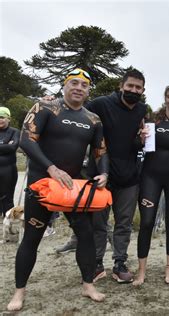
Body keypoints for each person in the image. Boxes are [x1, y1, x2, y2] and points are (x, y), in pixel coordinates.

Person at [7, 69, 109, 311]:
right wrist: (51, 168)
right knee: (32, 239)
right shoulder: (45, 108)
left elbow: (101, 151)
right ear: (64, 86)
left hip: (72, 189)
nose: (79, 88)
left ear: (88, 91)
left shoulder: (93, 119)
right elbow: (26, 140)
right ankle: (19, 292)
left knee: (85, 236)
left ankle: (88, 285)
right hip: (42, 184)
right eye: (74, 83)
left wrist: (104, 173)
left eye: (84, 85)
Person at [87, 69, 148, 283]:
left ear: (142, 90)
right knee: (98, 224)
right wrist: (52, 102)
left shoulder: (142, 109)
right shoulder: (101, 104)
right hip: (101, 175)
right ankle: (95, 264)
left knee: (124, 223)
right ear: (121, 86)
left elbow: (135, 141)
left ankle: (120, 263)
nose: (133, 90)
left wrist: (141, 140)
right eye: (129, 86)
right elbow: (74, 110)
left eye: (138, 87)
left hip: (130, 177)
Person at [134, 83, 169, 285]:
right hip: (150, 175)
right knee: (147, 222)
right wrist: (140, 139)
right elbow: (139, 143)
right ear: (165, 98)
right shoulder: (153, 117)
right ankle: (142, 271)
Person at [0, 106, 20, 217]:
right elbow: (8, 147)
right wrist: (6, 145)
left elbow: (13, 148)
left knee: (8, 198)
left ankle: (10, 222)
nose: (0, 120)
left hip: (8, 170)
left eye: (2, 117)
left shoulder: (14, 132)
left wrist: (9, 146)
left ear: (8, 119)